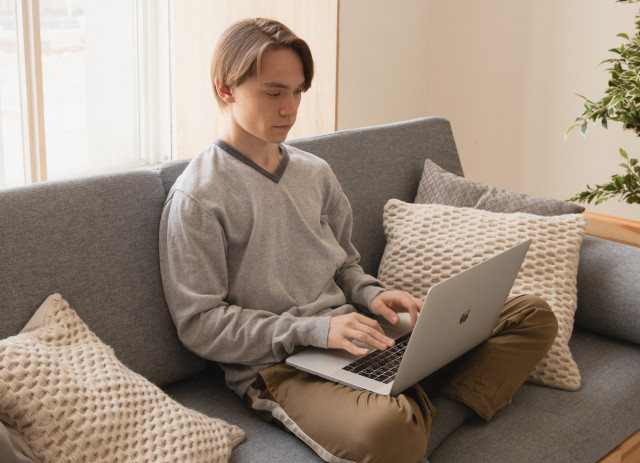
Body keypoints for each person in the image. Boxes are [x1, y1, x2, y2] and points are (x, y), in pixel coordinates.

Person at [159, 18, 558, 463]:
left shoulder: (315, 172)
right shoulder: (198, 196)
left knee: (532, 315)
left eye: (297, 92)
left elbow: (344, 265)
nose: (290, 109)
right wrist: (316, 329)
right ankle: (415, 406)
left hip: (360, 333)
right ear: (225, 88)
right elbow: (200, 325)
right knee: (385, 432)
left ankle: (415, 406)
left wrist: (374, 294)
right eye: (273, 92)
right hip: (281, 366)